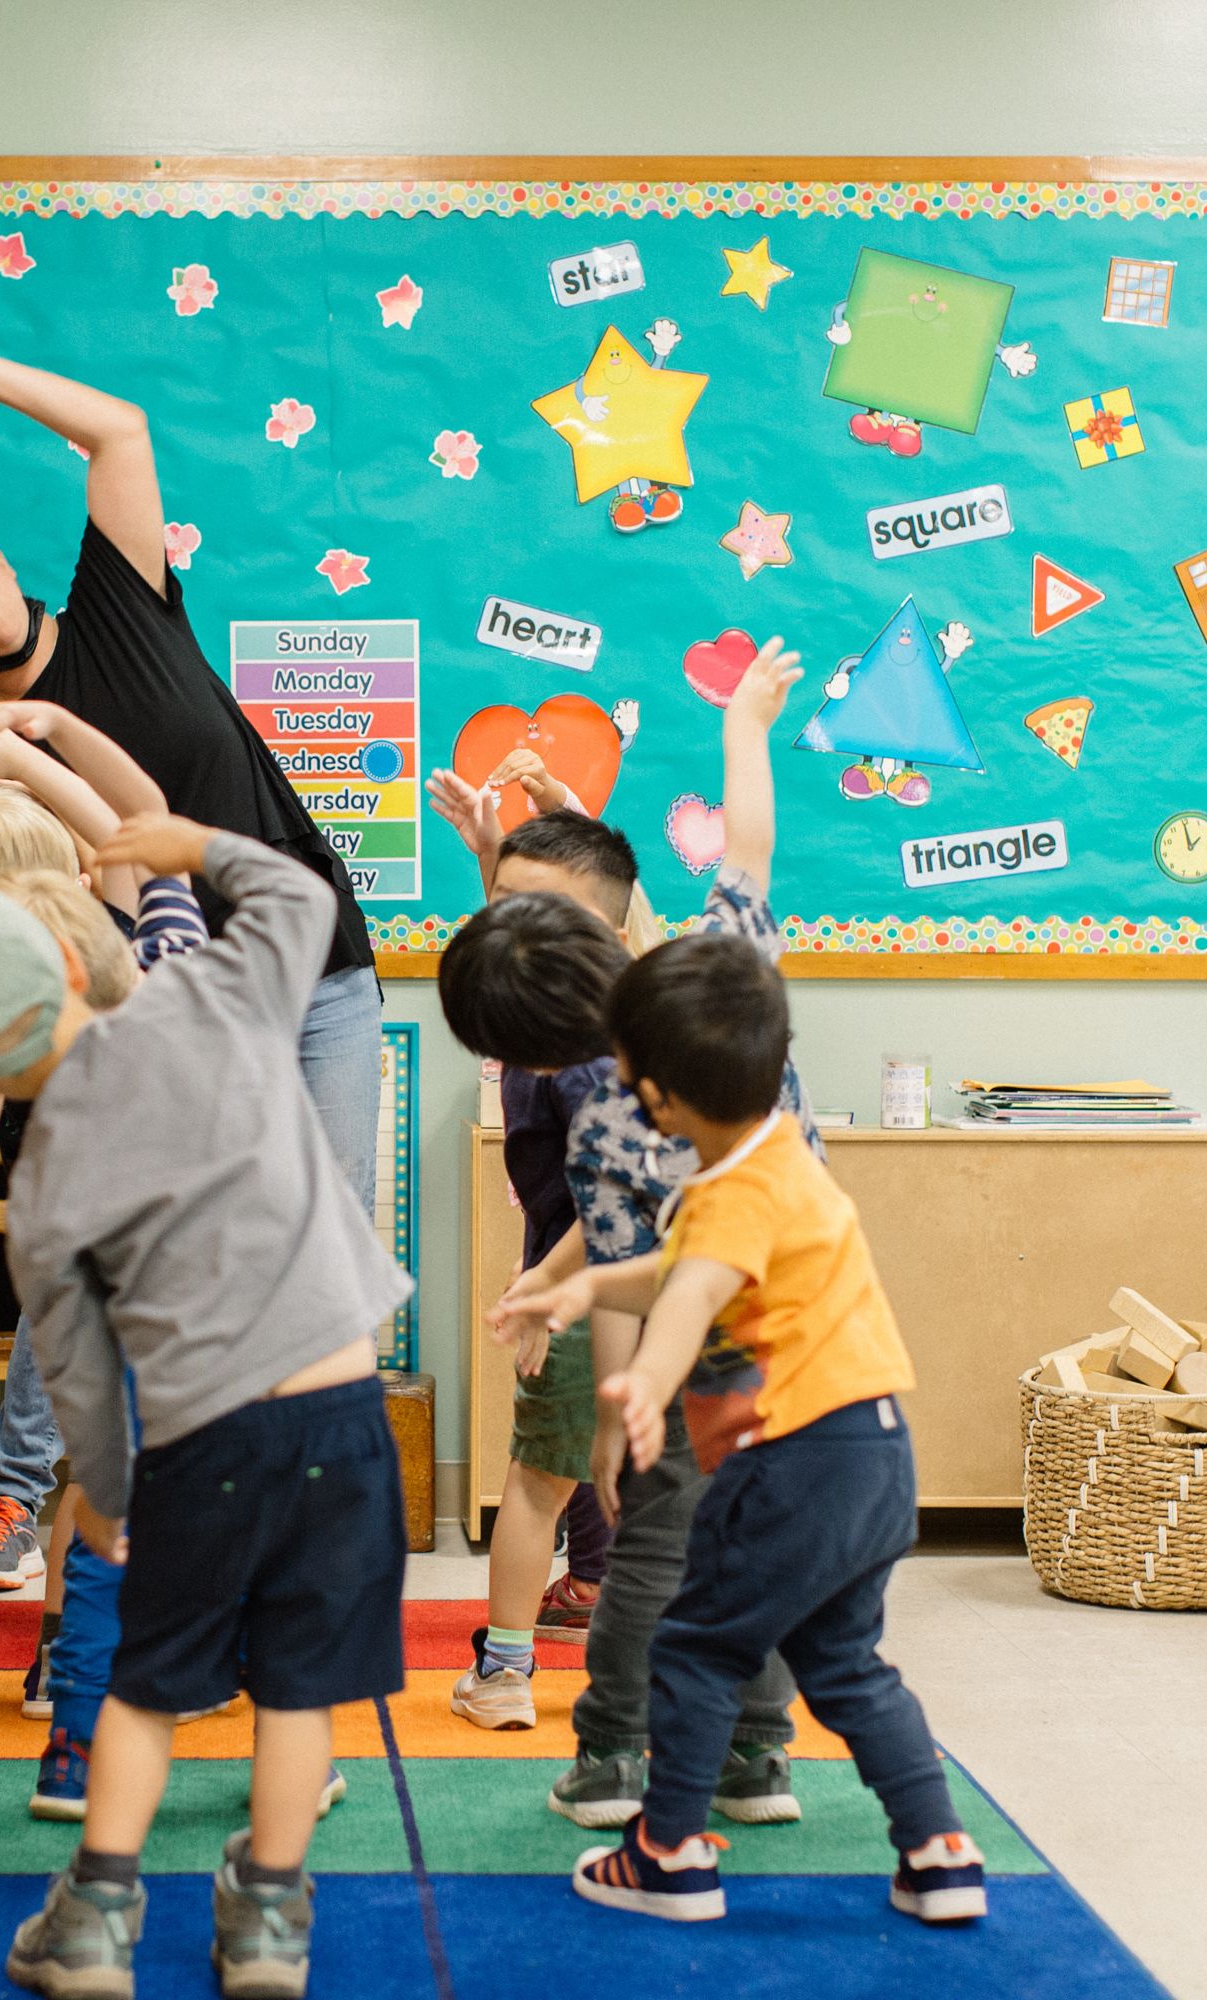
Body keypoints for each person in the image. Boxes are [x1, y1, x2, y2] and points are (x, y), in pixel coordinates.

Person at [0, 815, 409, 2000]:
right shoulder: (207, 1002)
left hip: (197, 1443)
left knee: (147, 1684)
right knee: (303, 1685)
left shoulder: (45, 1175)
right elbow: (305, 905)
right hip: (341, 1413)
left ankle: (101, 1909)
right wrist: (196, 843)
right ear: (68, 961)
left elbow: (74, 1363)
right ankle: (269, 1912)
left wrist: (106, 1499)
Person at [496, 932, 984, 1929]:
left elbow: (695, 1290)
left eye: (630, 1085)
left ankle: (669, 1851)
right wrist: (580, 1284)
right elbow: (690, 1266)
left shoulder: (730, 1193)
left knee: (696, 1648)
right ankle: (939, 1848)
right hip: (875, 1454)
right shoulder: (784, 1160)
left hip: (792, 1460)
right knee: (848, 1663)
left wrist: (644, 1380)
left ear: (665, 1101)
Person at [0, 341, 384, 1233]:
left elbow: (119, 432)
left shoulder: (120, 605)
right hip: (165, 1017)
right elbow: (27, 919)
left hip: (313, 962)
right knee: (209, 1257)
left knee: (330, 1237)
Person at [435, 642, 811, 1830]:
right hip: (808, 1332)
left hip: (690, 1354)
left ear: (537, 1056)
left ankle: (614, 1758)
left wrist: (617, 1415)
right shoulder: (722, 983)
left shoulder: (597, 1116)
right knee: (751, 1551)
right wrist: (746, 724)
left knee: (651, 1554)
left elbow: (616, 1277)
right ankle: (755, 1760)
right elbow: (745, 844)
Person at [0, 700, 175, 1600]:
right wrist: (40, 759)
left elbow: (127, 831)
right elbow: (131, 822)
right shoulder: (122, 960)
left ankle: (69, 1651)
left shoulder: (124, 953)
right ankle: (86, 1631)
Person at [421, 762, 645, 1726]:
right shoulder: (602, 1016)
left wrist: (543, 1290)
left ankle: (508, 1672)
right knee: (622, 1482)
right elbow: (548, 943)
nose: (500, 925)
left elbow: (614, 1213)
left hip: (580, 1288)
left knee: (537, 1484)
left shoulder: (572, 1044)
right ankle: (643, 1665)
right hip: (626, 1290)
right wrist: (490, 853)